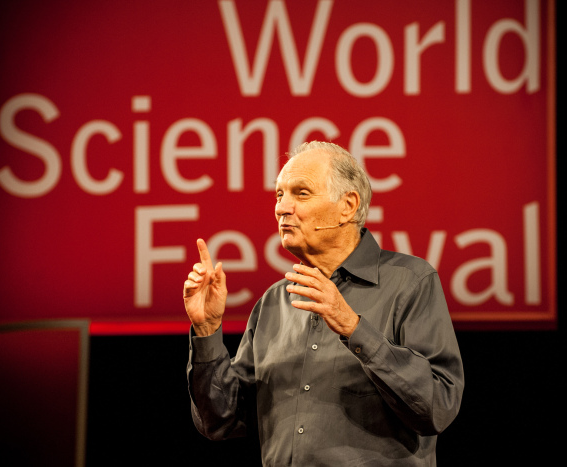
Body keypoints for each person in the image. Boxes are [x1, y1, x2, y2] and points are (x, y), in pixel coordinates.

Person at [184, 141, 464, 466]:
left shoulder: (410, 282)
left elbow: (438, 407)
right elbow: (220, 422)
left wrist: (354, 329)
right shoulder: (275, 302)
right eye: (279, 194)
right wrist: (206, 331)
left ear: (347, 206)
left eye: (301, 193)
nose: (282, 208)